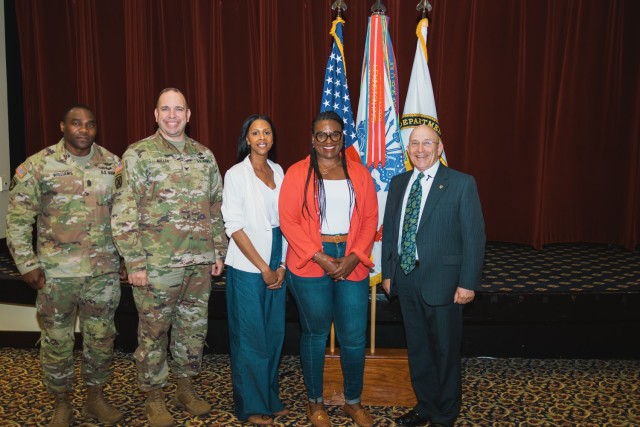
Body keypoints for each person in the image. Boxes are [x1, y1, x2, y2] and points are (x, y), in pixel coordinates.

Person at [111, 88, 227, 427]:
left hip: (199, 262)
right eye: (166, 109)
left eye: (179, 109)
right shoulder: (138, 155)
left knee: (193, 329)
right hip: (157, 264)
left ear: (189, 115)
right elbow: (123, 211)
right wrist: (133, 262)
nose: (172, 115)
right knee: (154, 331)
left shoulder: (205, 156)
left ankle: (185, 387)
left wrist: (218, 250)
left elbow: (215, 207)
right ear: (156, 114)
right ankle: (154, 396)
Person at [6, 104, 125, 427]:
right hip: (56, 276)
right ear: (62, 127)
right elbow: (18, 218)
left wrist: (127, 257)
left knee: (101, 339)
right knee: (57, 342)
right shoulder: (39, 165)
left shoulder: (113, 165)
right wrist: (27, 264)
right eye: (76, 123)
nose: (83, 130)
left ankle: (95, 398)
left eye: (90, 124)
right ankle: (61, 402)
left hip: (102, 273)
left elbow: (125, 216)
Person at [381, 124, 486, 427]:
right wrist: (389, 274)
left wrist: (468, 282)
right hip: (406, 280)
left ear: (440, 148)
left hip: (445, 283)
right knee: (419, 350)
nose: (421, 149)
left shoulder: (461, 183)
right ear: (408, 149)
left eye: (428, 143)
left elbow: (474, 237)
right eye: (415, 144)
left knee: (444, 352)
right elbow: (391, 233)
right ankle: (424, 407)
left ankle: (444, 415)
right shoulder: (400, 182)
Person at [279, 111, 378, 427]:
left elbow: (369, 220)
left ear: (342, 137)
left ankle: (353, 402)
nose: (328, 141)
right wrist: (319, 256)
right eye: (321, 135)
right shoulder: (297, 173)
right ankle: (315, 403)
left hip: (351, 259)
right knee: (315, 333)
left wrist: (355, 255)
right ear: (312, 138)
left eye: (334, 134)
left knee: (353, 336)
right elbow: (289, 221)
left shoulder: (359, 174)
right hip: (310, 260)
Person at [221, 114, 289, 425]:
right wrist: (264, 267)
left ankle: (269, 397)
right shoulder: (236, 174)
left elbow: (287, 221)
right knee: (251, 337)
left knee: (274, 334)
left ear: (272, 138)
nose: (261, 137)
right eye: (255, 132)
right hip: (249, 263)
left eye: (267, 132)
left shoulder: (278, 170)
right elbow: (234, 226)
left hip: (278, 256)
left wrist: (283, 264)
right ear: (246, 139)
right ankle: (251, 406)